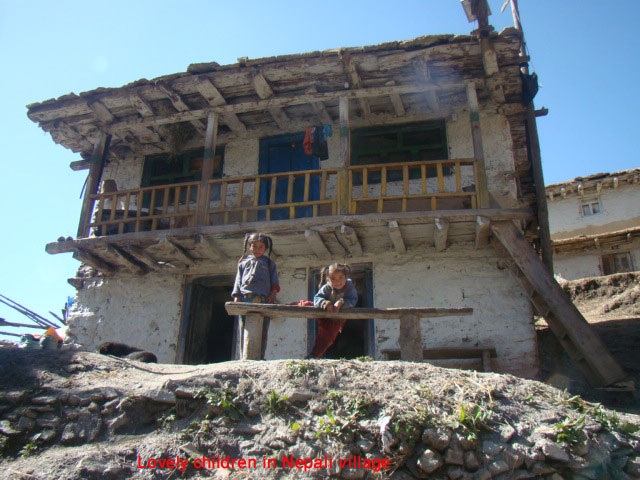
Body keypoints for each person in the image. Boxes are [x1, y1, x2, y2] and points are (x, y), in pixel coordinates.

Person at [232, 233, 280, 359]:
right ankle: (244, 356)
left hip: (264, 298)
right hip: (245, 297)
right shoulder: (243, 263)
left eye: (261, 247)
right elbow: (238, 280)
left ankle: (260, 355)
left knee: (263, 326)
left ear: (265, 249)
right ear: (249, 247)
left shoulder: (269, 264)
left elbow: (274, 281)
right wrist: (237, 295)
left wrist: (273, 293)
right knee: (244, 326)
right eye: (255, 246)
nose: (257, 249)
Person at [308, 263, 358, 358]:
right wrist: (325, 304)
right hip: (323, 313)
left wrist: (341, 303)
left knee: (327, 338)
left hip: (336, 319)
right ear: (328, 279)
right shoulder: (327, 288)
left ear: (346, 277)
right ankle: (290, 305)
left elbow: (353, 300)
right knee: (306, 305)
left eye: (340, 277)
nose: (337, 281)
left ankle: (314, 355)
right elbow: (317, 299)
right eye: (333, 278)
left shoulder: (349, 287)